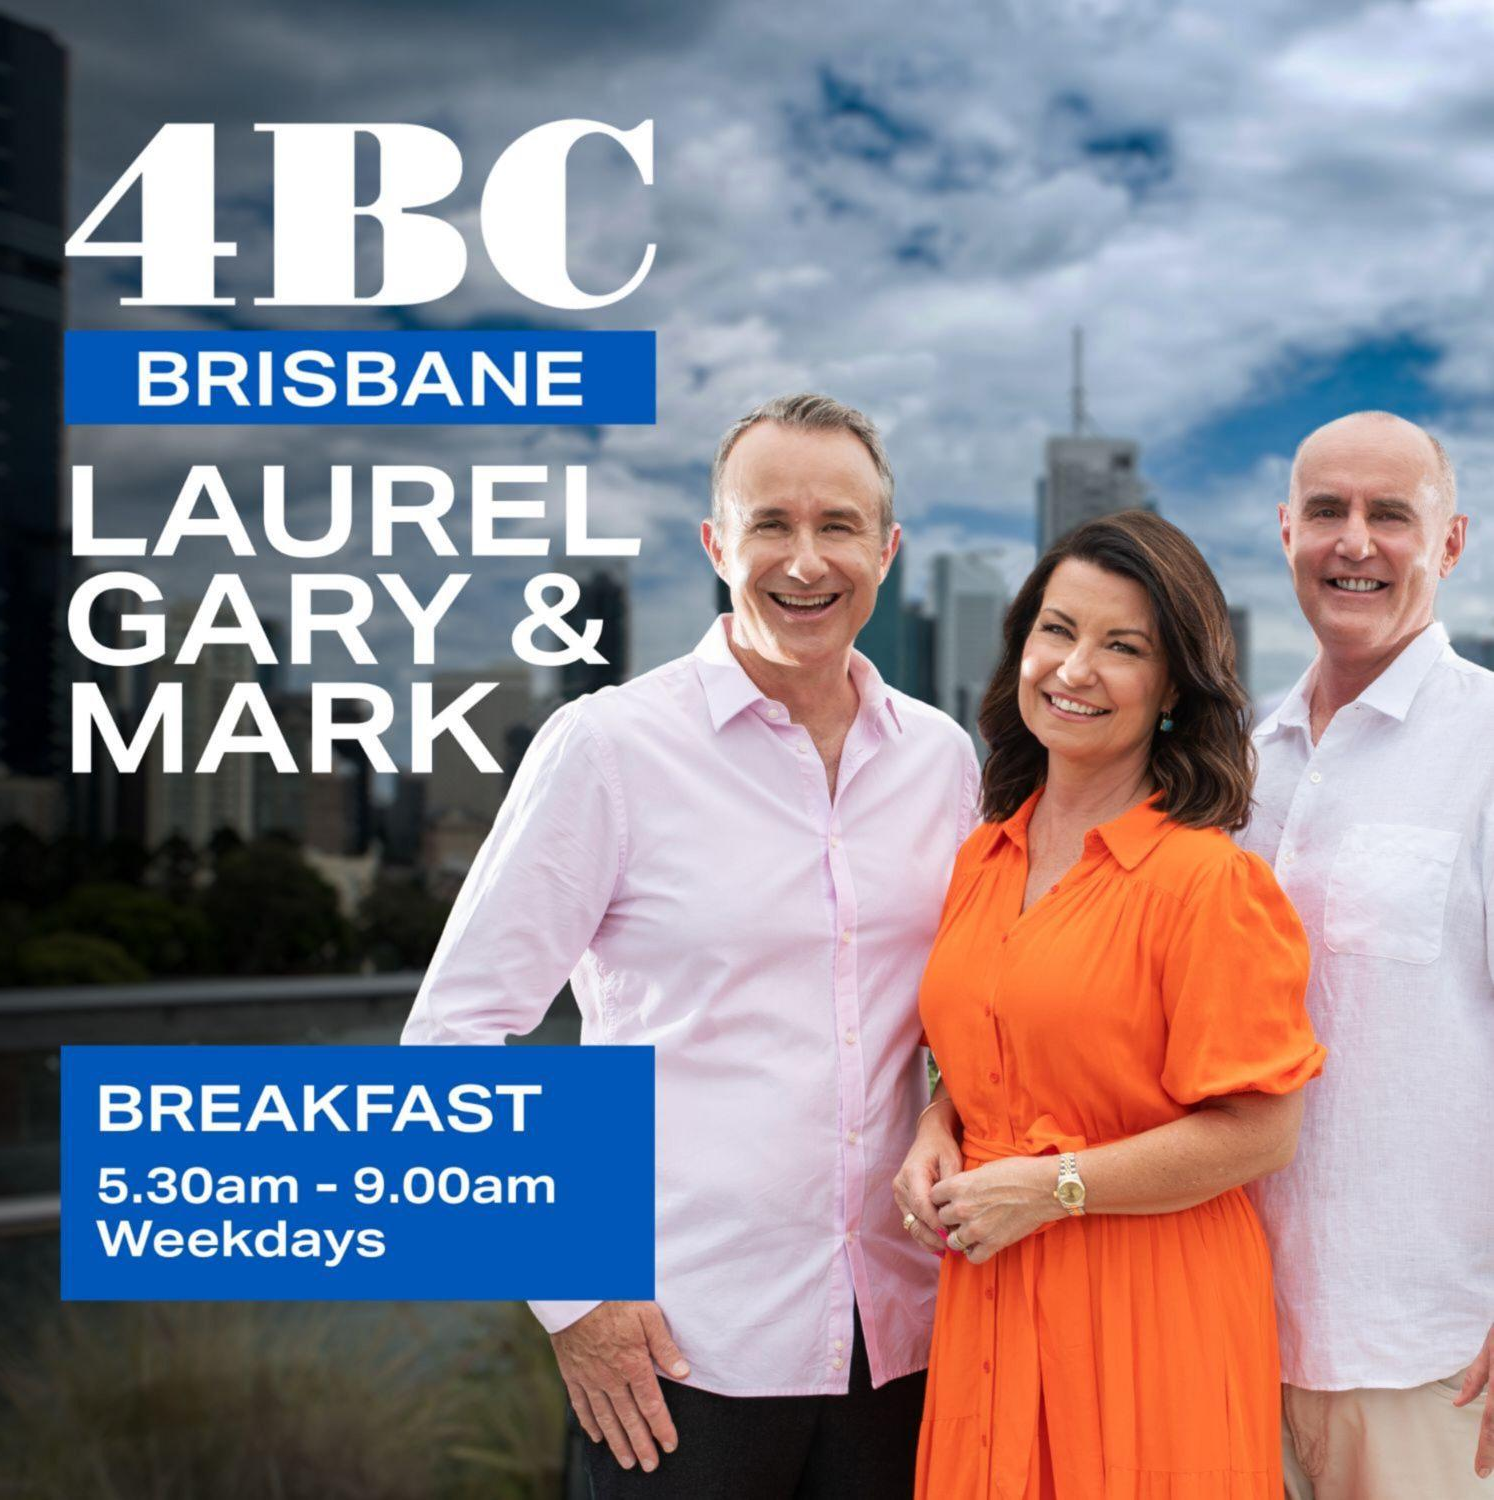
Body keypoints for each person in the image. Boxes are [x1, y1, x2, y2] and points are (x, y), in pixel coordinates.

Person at [403, 393, 979, 1498]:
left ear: (886, 550)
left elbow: (966, 1013)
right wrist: (574, 1300)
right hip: (677, 1355)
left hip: (905, 1343)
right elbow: (455, 1037)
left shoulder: (943, 760)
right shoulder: (608, 748)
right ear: (719, 546)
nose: (804, 560)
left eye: (839, 526)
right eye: (770, 524)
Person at [897, 508, 1325, 1498]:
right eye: (1057, 630)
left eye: (1121, 646)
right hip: (990, 1303)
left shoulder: (1206, 883)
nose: (1074, 668)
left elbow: (1262, 1132)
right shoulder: (982, 854)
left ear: (1173, 687)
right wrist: (939, 1117)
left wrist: (1052, 1189)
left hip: (1149, 1318)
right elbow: (993, 1047)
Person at [1241, 410, 1494, 1498]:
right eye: (1329, 512)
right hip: (1229, 1333)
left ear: (1449, 543)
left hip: (1428, 1355)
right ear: (1286, 531)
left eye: (1391, 514)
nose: (1356, 541)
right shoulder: (1236, 762)